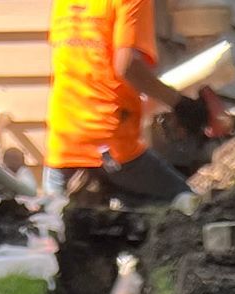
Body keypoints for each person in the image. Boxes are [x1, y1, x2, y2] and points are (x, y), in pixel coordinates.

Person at [45, 0, 203, 202]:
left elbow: (87, 68)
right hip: (111, 144)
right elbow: (128, 66)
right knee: (188, 207)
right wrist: (180, 104)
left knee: (56, 225)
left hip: (62, 141)